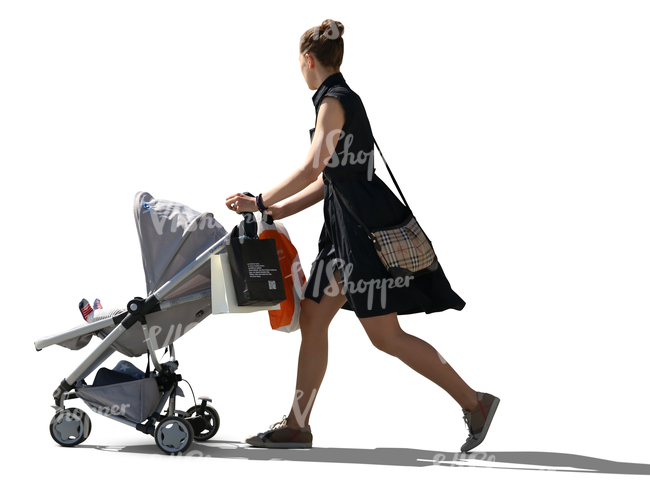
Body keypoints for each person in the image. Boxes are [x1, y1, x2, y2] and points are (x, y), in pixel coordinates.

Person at [225, 19, 499, 453]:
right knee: (313, 322)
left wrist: (258, 200)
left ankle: (475, 402)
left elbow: (313, 166)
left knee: (385, 337)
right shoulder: (336, 100)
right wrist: (278, 210)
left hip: (362, 236)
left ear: (308, 61)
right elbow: (329, 179)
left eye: (299, 62)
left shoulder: (333, 100)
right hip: (342, 235)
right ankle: (298, 425)